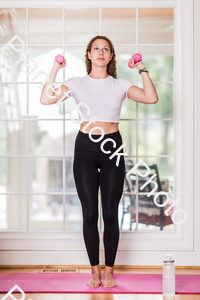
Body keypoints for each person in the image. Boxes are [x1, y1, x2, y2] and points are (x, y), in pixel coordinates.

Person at [40, 35, 158, 288]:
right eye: (96, 48)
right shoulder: (76, 83)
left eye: (106, 49)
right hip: (85, 149)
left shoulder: (120, 85)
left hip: (112, 148)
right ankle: (94, 271)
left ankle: (110, 272)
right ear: (89, 55)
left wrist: (141, 68)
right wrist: (55, 69)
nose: (101, 52)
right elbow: (46, 99)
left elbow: (151, 97)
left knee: (110, 214)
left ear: (111, 56)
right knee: (90, 213)